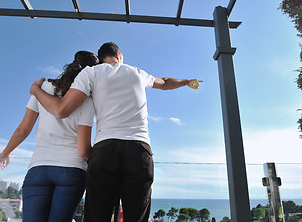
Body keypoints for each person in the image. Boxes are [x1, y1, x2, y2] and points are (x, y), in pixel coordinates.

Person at [29, 42, 202, 222]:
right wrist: (187, 82)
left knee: (97, 217)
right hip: (139, 150)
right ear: (119, 55)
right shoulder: (136, 72)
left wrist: (35, 90)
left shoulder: (91, 73)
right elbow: (165, 82)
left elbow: (62, 110)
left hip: (105, 150)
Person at [0, 51, 99, 222]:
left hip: (39, 168)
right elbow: (83, 150)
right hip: (72, 168)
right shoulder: (87, 101)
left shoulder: (43, 88)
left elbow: (23, 130)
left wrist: (5, 152)